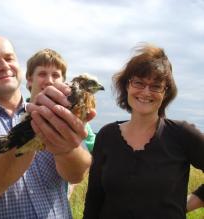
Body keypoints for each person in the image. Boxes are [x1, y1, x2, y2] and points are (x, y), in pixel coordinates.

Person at [0, 35, 93, 218]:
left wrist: (67, 148)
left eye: (9, 58)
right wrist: (36, 129)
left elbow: (76, 175)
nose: (4, 66)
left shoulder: (60, 113)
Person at [83, 43, 204, 218]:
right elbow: (94, 197)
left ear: (165, 92)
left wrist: (183, 205)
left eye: (156, 86)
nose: (146, 92)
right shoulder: (107, 135)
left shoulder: (181, 134)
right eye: (139, 83)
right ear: (127, 86)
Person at [25, 48, 96, 199]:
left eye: (56, 75)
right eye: (42, 74)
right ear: (29, 80)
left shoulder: (74, 120)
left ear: (64, 82)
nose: (49, 80)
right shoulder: (14, 117)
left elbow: (80, 172)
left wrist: (69, 151)